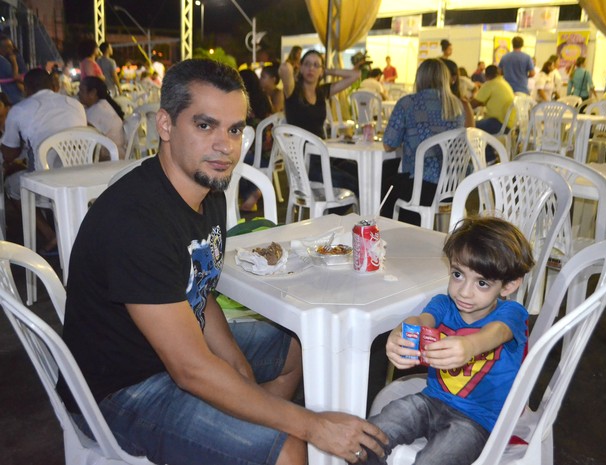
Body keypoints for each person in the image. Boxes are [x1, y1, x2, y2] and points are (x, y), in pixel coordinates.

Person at [58, 58, 388, 465]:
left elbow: (198, 289)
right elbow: (191, 371)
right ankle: (254, 438)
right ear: (165, 125)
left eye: (234, 129)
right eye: (204, 125)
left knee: (300, 349)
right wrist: (311, 425)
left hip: (176, 351)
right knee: (289, 449)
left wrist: (235, 365)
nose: (224, 145)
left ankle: (239, 430)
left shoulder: (206, 191)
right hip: (119, 391)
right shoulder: (135, 221)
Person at [365, 216, 534, 465]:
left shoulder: (511, 314)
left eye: (482, 283)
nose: (464, 291)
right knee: (368, 437)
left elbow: (497, 333)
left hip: (477, 421)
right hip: (430, 400)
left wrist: (470, 346)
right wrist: (401, 332)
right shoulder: (444, 304)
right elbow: (422, 319)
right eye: (457, 274)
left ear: (508, 286)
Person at [1, 68, 87, 252]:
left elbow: (8, 154)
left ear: (26, 88)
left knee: (12, 185)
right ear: (54, 86)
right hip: (81, 179)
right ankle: (70, 230)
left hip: (47, 183)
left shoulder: (19, 109)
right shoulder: (75, 104)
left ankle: (50, 235)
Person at [380, 58, 465, 225]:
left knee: (385, 184)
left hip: (420, 188)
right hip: (452, 186)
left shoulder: (408, 103)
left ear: (419, 78)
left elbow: (388, 144)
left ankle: (391, 235)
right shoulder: (456, 105)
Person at [282, 49, 362, 197]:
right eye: (307, 64)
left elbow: (356, 75)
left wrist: (328, 71)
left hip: (324, 155)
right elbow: (284, 68)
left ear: (321, 70)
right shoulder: (293, 91)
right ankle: (329, 214)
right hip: (305, 162)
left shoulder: (321, 92)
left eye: (315, 65)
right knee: (355, 184)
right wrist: (295, 63)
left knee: (361, 173)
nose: (311, 68)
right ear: (300, 67)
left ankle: (330, 213)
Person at [238, 68, 273, 211]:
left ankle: (250, 193)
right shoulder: (265, 98)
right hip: (271, 154)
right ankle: (255, 191)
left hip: (255, 154)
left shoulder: (244, 104)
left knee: (234, 157)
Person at [471, 65, 515, 163]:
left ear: (486, 76)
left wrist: (463, 105)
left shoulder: (490, 84)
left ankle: (488, 158)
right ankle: (490, 155)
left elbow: (474, 104)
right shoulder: (504, 83)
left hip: (498, 123)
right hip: (509, 124)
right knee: (482, 124)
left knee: (471, 127)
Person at [78, 76, 126, 159]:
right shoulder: (102, 105)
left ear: (92, 93)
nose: (78, 94)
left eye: (81, 90)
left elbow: (83, 139)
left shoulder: (97, 111)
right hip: (117, 153)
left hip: (111, 158)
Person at [0, 35, 25, 104]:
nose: (11, 49)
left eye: (11, 46)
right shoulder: (3, 62)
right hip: (13, 99)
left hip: (15, 99)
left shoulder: (16, 58)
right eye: (7, 47)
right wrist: (14, 61)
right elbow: (15, 76)